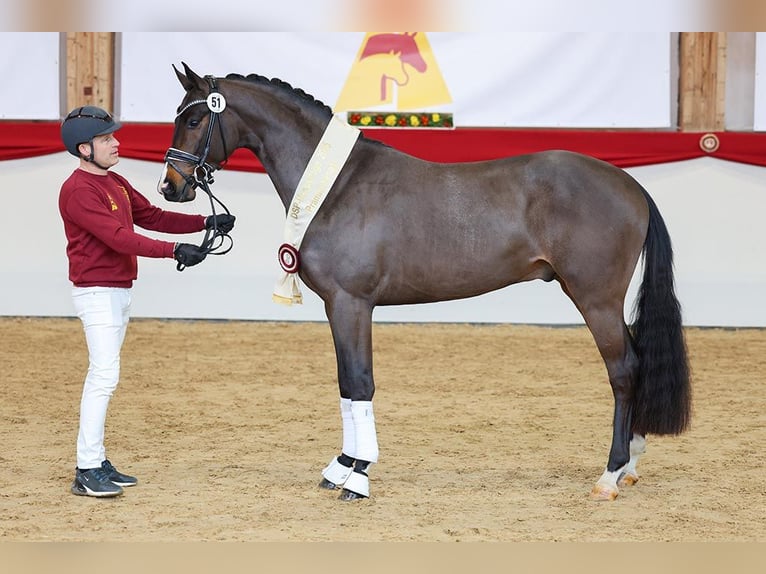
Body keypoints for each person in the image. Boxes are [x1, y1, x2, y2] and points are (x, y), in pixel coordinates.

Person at [58, 105, 235, 497]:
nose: (115, 142)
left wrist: (203, 222)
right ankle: (86, 468)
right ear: (85, 149)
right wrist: (174, 251)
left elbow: (152, 217)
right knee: (103, 377)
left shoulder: (115, 183)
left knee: (105, 376)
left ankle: (96, 458)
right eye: (106, 139)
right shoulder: (77, 191)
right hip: (97, 292)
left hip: (118, 290)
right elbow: (120, 239)